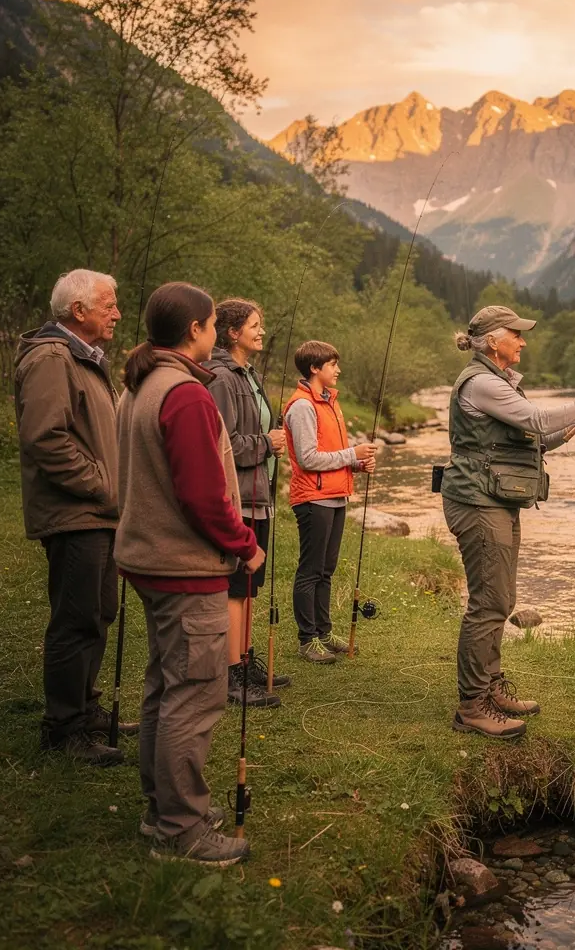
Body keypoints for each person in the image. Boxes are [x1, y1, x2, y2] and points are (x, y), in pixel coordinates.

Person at [116, 281, 264, 867]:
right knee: (196, 695)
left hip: (148, 559)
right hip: (183, 566)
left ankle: (162, 810)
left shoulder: (140, 384)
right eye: (210, 323)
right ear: (196, 330)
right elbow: (204, 497)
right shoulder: (185, 395)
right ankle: (181, 829)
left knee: (165, 685)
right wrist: (245, 545)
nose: (213, 332)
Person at [440, 306, 575, 739]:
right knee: (488, 603)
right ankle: (472, 707)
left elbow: (537, 438)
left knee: (501, 600)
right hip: (476, 501)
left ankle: (490, 689)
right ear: (492, 341)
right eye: (516, 334)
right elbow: (538, 419)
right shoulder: (483, 383)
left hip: (495, 499)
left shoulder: (499, 381)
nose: (523, 341)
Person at [14, 268, 137, 766]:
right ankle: (63, 729)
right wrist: (104, 486)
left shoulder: (83, 357)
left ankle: (85, 711)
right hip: (76, 513)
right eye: (109, 305)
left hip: (96, 514)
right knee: (75, 619)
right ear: (78, 310)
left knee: (98, 612)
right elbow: (45, 439)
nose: (118, 313)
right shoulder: (51, 358)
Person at [204, 299, 289, 709]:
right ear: (232, 332)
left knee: (250, 585)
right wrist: (267, 443)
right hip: (238, 497)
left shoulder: (249, 374)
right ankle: (230, 674)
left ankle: (244, 659)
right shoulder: (222, 377)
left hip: (258, 496)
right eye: (255, 325)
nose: (261, 331)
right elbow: (223, 444)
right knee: (236, 588)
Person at [282, 341, 376, 664]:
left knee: (326, 570)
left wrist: (357, 464)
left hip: (335, 498)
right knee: (310, 570)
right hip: (313, 498)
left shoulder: (329, 402)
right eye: (332, 364)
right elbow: (308, 458)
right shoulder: (302, 406)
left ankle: (323, 633)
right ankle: (307, 640)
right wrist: (351, 454)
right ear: (314, 368)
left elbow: (331, 453)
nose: (338, 370)